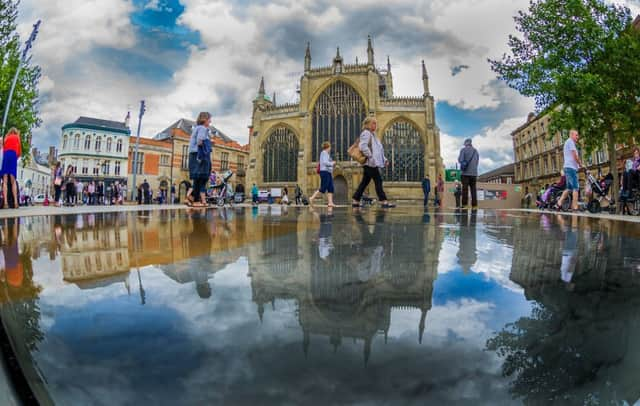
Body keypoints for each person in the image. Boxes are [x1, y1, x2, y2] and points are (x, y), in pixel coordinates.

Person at [352, 116, 395, 208]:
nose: (375, 125)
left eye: (376, 123)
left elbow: (378, 149)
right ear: (367, 124)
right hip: (370, 163)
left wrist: (385, 159)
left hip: (371, 163)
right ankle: (384, 201)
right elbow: (363, 146)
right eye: (373, 123)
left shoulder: (373, 135)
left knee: (365, 182)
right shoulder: (366, 133)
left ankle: (355, 200)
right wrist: (370, 157)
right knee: (378, 180)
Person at [187, 112, 212, 207]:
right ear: (204, 119)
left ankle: (194, 199)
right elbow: (199, 141)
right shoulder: (202, 128)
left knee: (198, 179)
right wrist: (208, 144)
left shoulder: (197, 128)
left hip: (194, 154)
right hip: (199, 155)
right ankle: (191, 197)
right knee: (201, 178)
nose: (210, 121)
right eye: (209, 119)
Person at [556, 130, 582, 212]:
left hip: (567, 167)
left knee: (569, 188)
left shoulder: (568, 142)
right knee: (576, 187)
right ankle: (575, 207)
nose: (578, 137)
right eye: (576, 135)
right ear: (571, 135)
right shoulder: (570, 142)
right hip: (571, 168)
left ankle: (559, 204)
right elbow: (575, 156)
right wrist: (581, 164)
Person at [309, 141, 337, 207]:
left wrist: (332, 165)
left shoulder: (327, 154)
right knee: (323, 188)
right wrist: (332, 163)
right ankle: (312, 198)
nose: (330, 148)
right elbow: (325, 162)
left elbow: (327, 163)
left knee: (331, 187)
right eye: (330, 147)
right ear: (328, 147)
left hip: (328, 172)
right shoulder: (323, 153)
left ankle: (330, 202)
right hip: (324, 172)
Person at [1, 128, 21, 209]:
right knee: (13, 181)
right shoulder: (17, 137)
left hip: (5, 155)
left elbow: (2, 148)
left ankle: (5, 203)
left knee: (5, 180)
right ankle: (16, 202)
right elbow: (19, 153)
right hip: (13, 155)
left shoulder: (6, 137)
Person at [458, 139, 479, 209]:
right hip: (474, 174)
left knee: (465, 189)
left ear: (466, 143)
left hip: (465, 173)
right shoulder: (476, 151)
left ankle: (465, 205)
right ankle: (474, 205)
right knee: (473, 189)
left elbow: (460, 160)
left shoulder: (463, 150)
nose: (464, 144)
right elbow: (477, 162)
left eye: (464, 143)